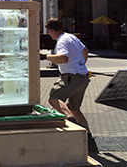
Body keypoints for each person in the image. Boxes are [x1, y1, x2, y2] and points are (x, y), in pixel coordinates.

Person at [42, 17, 98, 152]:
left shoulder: (61, 41)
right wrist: (80, 65)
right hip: (83, 77)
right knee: (75, 108)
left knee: (54, 98)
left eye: (49, 32)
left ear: (51, 30)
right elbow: (85, 51)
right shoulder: (71, 37)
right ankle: (90, 143)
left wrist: (44, 57)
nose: (49, 35)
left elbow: (63, 58)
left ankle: (71, 122)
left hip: (72, 77)